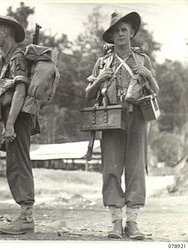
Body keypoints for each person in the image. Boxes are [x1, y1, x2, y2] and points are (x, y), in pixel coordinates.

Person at [85, 12, 159, 240]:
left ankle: (133, 222)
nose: (120, 34)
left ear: (132, 33)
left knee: (136, 168)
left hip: (137, 117)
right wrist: (99, 79)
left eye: (124, 30)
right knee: (111, 169)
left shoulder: (142, 60)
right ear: (111, 36)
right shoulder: (102, 62)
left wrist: (148, 76)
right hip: (110, 119)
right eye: (116, 31)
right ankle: (116, 222)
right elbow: (88, 97)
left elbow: (155, 91)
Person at [0, 16, 39, 235]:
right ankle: (24, 215)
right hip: (14, 117)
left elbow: (20, 90)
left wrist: (9, 125)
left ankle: (26, 218)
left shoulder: (16, 56)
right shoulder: (9, 58)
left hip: (17, 118)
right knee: (15, 164)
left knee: (19, 165)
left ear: (6, 32)